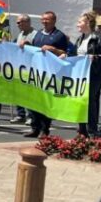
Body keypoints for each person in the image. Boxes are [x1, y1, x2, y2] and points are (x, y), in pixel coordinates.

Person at [22, 10, 69, 138]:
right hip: (35, 72)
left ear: (54, 21)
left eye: (47, 19)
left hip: (50, 74)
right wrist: (26, 44)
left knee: (45, 102)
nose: (44, 21)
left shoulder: (59, 36)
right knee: (33, 102)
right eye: (43, 19)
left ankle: (44, 129)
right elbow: (34, 48)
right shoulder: (37, 34)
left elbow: (65, 54)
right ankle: (35, 128)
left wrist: (54, 50)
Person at [73, 11, 101, 137]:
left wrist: (94, 57)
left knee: (90, 101)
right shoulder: (80, 39)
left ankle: (92, 130)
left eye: (80, 22)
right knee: (81, 101)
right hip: (81, 75)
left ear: (88, 23)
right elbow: (75, 55)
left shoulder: (99, 37)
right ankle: (82, 130)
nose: (78, 24)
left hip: (94, 75)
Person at [11, 15, 37, 123]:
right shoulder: (21, 34)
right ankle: (20, 114)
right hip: (19, 65)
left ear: (27, 22)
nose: (18, 25)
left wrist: (28, 45)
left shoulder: (35, 34)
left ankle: (30, 115)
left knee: (29, 92)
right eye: (17, 23)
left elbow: (36, 48)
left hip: (30, 66)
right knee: (18, 91)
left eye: (19, 22)